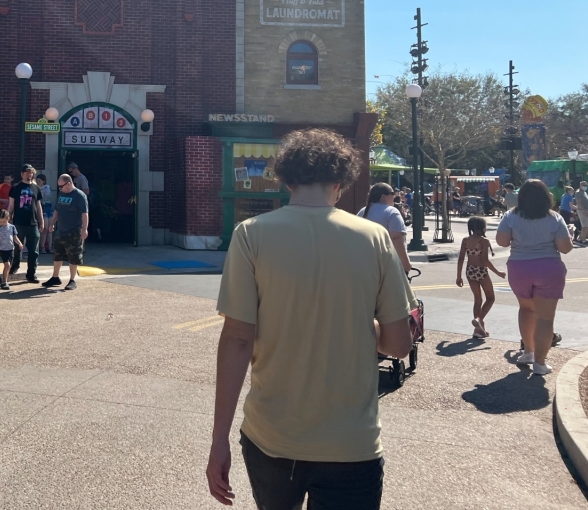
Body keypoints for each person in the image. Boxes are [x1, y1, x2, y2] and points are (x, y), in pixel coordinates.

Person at [207, 129, 414, 509]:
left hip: (272, 436)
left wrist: (219, 439)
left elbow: (237, 339)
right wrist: (363, 324)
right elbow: (398, 344)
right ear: (340, 181)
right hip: (352, 443)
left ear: (286, 179)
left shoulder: (251, 235)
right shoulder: (375, 238)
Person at [495, 179, 573, 376]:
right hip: (548, 267)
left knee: (526, 309)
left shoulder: (510, 216)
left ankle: (528, 351)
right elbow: (565, 248)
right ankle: (540, 363)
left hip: (519, 268)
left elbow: (502, 241)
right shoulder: (554, 218)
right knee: (545, 318)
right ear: (546, 197)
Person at [455, 217, 506, 338]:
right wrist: (498, 272)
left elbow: (461, 258)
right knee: (490, 298)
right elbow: (485, 260)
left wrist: (459, 276)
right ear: (482, 227)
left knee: (478, 300)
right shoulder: (484, 241)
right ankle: (479, 319)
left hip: (470, 271)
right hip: (481, 271)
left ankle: (478, 330)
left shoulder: (465, 240)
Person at [43, 173, 89, 291]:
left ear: (68, 183)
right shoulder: (62, 194)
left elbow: (85, 214)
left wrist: (84, 229)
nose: (60, 189)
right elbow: (57, 210)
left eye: (61, 186)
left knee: (73, 256)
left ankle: (72, 280)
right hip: (61, 230)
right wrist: (52, 223)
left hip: (74, 231)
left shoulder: (79, 196)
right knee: (57, 254)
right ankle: (55, 277)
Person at [357, 183, 412, 274]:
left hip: (365, 265)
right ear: (383, 197)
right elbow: (397, 239)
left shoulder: (362, 212)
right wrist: (406, 264)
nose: (394, 196)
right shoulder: (392, 212)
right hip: (388, 266)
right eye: (392, 193)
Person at [8, 165, 45, 283]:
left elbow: (38, 206)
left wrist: (41, 221)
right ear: (22, 174)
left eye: (31, 173)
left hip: (33, 223)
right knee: (16, 247)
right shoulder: (15, 187)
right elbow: (11, 205)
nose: (29, 175)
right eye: (27, 173)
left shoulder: (36, 188)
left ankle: (31, 273)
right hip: (18, 222)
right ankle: (14, 267)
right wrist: (8, 219)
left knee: (33, 250)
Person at [0, 210, 22, 291]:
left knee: (9, 265)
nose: (2, 223)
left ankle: (4, 279)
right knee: (7, 265)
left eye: (4, 221)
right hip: (2, 249)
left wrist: (19, 243)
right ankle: (4, 282)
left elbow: (15, 237)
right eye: (0, 221)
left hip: (10, 249)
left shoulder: (12, 227)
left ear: (8, 219)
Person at [573, 181, 588, 245]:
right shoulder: (578, 193)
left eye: (586, 185)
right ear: (580, 185)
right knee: (585, 226)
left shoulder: (584, 192)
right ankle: (583, 240)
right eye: (583, 185)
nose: (585, 186)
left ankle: (580, 238)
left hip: (587, 210)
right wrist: (584, 211)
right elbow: (579, 203)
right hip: (582, 211)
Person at [36, 173, 54, 256]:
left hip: (49, 206)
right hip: (42, 207)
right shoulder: (36, 188)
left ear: (43, 181)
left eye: (39, 181)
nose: (38, 182)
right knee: (45, 227)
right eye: (37, 181)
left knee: (50, 228)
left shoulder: (47, 187)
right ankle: (42, 247)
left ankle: (49, 247)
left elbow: (47, 195)